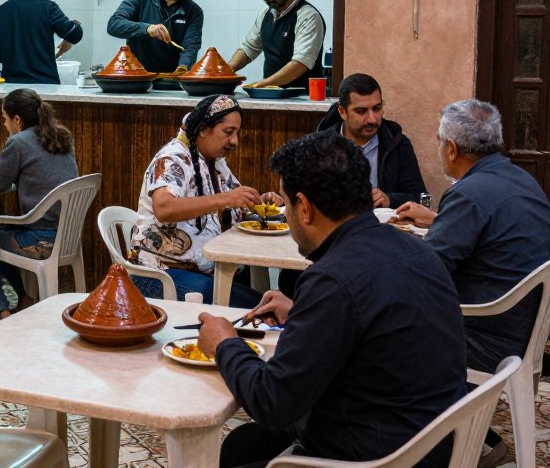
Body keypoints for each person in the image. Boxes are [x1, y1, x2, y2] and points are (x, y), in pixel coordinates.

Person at [197, 131, 466, 468]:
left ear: (305, 208)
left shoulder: (333, 279)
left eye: (286, 204)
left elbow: (272, 403)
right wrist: (302, 313)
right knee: (246, 443)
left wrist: (224, 343)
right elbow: (374, 323)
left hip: (377, 456)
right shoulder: (417, 249)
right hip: (427, 440)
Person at [394, 99, 550, 467]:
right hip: (524, 328)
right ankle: (473, 436)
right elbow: (493, 233)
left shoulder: (467, 193)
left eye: (438, 141)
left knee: (383, 328)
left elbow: (427, 275)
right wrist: (438, 220)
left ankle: (425, 443)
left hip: (484, 336)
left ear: (451, 148)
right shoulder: (519, 178)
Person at [128, 95, 275, 308]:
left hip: (203, 270)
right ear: (204, 129)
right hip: (161, 275)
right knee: (258, 307)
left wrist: (262, 202)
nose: (235, 141)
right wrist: (226, 199)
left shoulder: (213, 161)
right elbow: (164, 208)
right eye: (228, 132)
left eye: (236, 133)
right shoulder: (172, 159)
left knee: (263, 299)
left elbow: (231, 206)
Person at [0, 89, 78, 321]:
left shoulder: (18, 142)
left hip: (39, 239)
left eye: (4, 119)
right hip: (67, 234)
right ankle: (24, 298)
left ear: (17, 120)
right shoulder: (61, 136)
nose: (4, 124)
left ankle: (1, 309)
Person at [316, 73, 426, 208]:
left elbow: (418, 197)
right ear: (342, 112)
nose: (372, 119)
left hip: (384, 225)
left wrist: (389, 199)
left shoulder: (397, 144)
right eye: (361, 111)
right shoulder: (321, 146)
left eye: (377, 108)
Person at [227, 0, 325, 89]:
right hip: (271, 95)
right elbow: (249, 48)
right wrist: (225, 71)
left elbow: (301, 63)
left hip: (301, 98)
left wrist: (262, 84)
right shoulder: (265, 14)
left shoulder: (308, 16)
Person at [0, 0, 83, 84]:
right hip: (45, 86)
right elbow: (74, 34)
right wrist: (75, 24)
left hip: (12, 87)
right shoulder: (48, 8)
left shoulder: (0, 12)